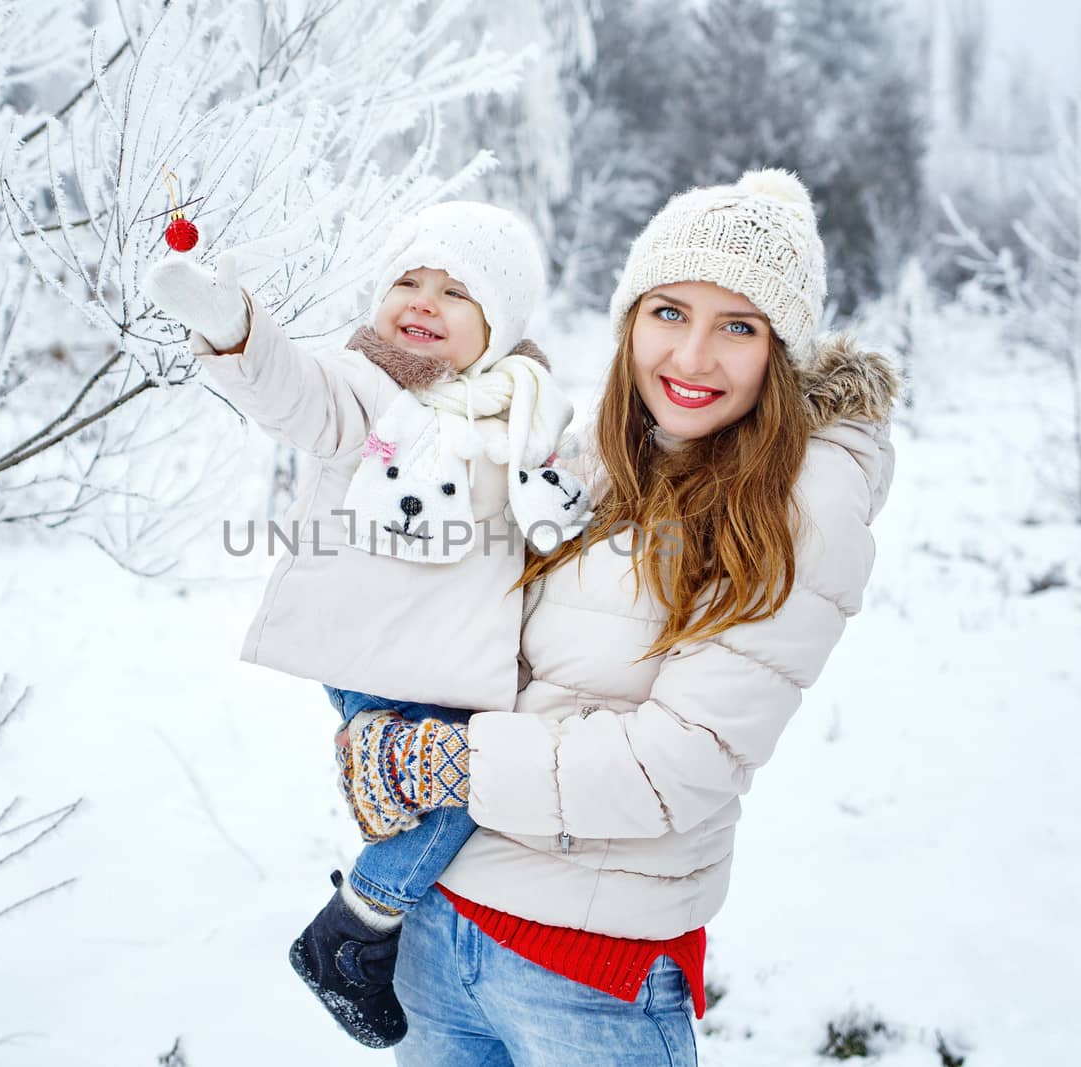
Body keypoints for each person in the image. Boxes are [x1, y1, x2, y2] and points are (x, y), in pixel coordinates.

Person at [333, 169, 900, 1064]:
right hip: (438, 930)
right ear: (630, 316)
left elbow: (678, 763)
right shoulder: (593, 455)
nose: (692, 356)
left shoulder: (798, 505)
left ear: (781, 356)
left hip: (587, 980)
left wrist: (439, 761)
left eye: (739, 326)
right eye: (669, 311)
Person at [141, 201, 589, 1049]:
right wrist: (237, 333)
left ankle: (372, 929)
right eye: (408, 281)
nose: (422, 301)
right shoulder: (367, 388)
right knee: (461, 789)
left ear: (500, 323)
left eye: (455, 291)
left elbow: (541, 518)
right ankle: (351, 931)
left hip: (454, 664)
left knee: (458, 787)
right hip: (374, 652)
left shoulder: (524, 411)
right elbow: (295, 395)